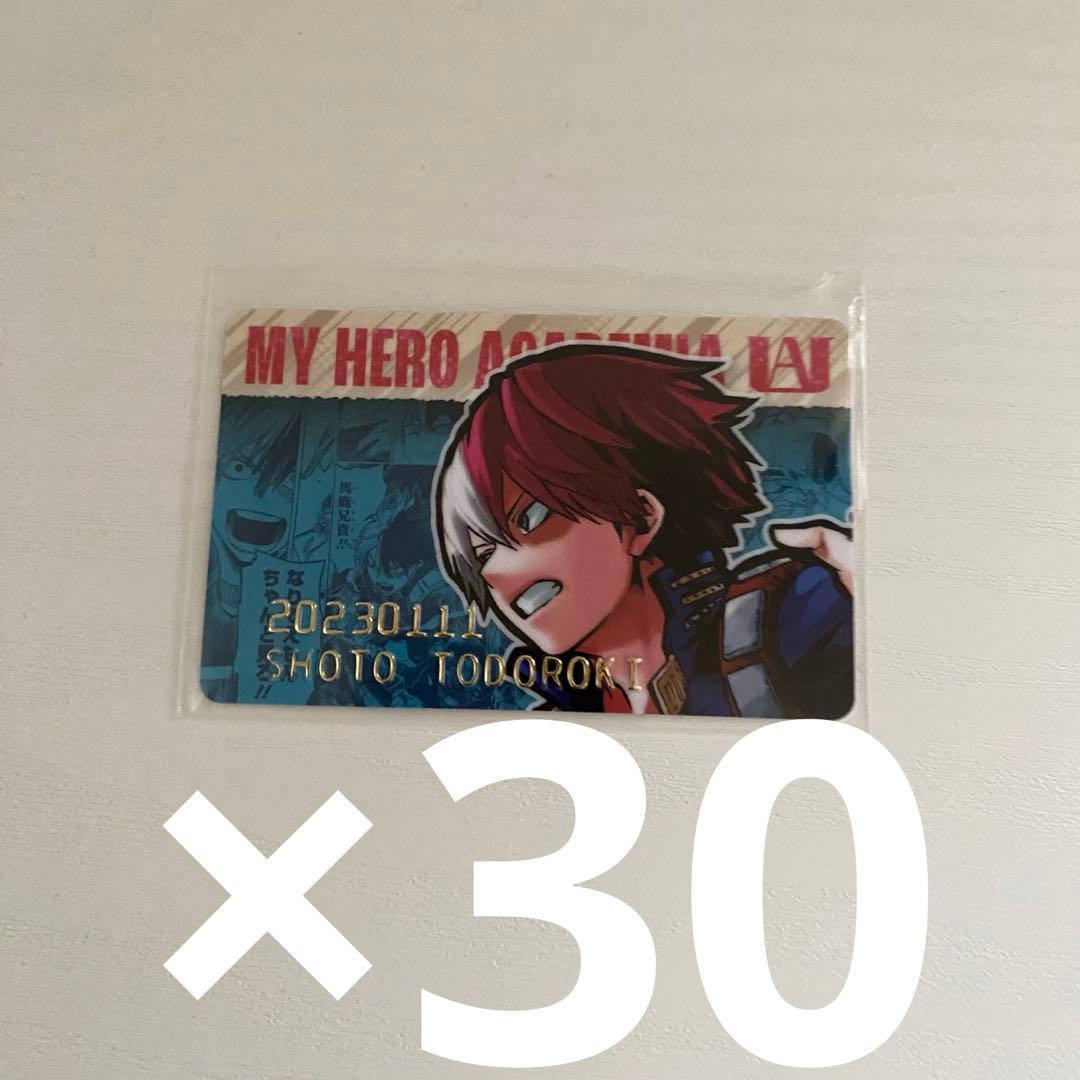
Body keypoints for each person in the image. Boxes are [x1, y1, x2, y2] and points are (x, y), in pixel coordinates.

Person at [433, 342, 853, 718]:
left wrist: (875, 610)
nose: (493, 572)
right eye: (482, 553)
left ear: (640, 518)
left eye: (530, 518)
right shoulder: (559, 727)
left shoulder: (794, 617)